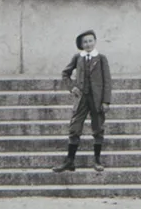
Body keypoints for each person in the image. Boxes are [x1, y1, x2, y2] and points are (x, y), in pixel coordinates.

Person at [53, 29, 112, 174]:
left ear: (95, 41)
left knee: (98, 128)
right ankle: (69, 161)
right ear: (81, 44)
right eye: (85, 42)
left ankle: (97, 160)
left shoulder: (101, 58)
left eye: (90, 41)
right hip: (81, 99)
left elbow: (107, 81)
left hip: (97, 100)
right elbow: (65, 73)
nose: (88, 44)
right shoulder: (77, 57)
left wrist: (106, 101)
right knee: (74, 128)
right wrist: (72, 87)